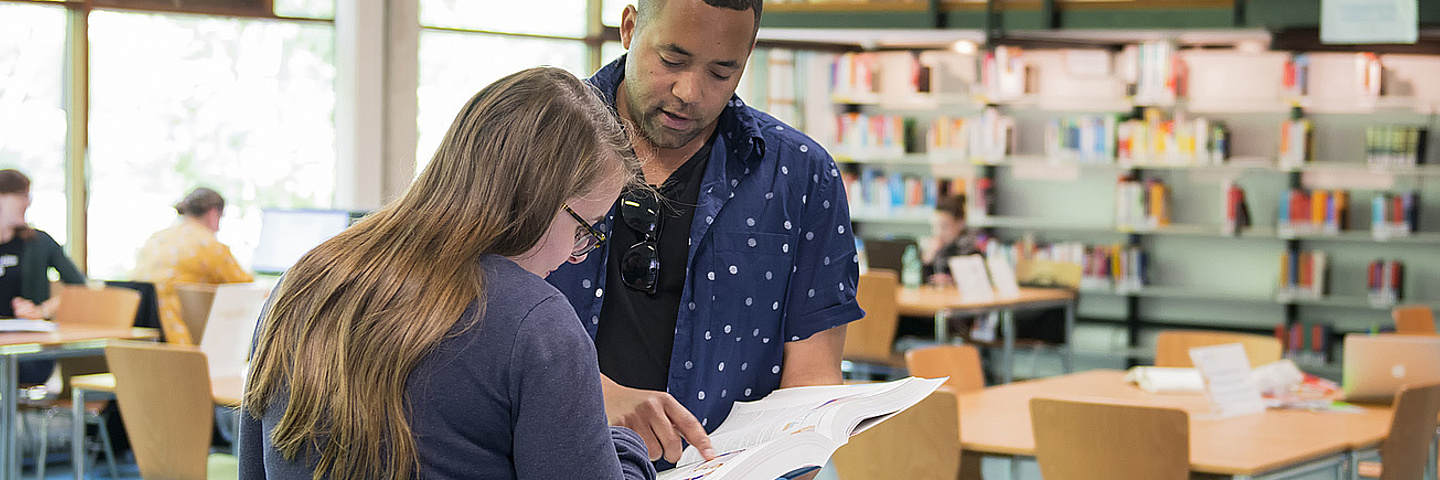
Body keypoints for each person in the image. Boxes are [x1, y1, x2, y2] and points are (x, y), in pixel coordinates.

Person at [239, 67, 655, 479]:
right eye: (585, 228)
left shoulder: (303, 280)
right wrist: (623, 448)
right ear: (538, 200)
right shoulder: (536, 322)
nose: (575, 255)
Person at [546, 0, 863, 466]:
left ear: (749, 52)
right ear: (630, 28)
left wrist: (787, 464)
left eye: (721, 72)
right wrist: (593, 392)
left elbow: (812, 380)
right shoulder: (539, 140)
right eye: (671, 60)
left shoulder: (801, 175)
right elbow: (465, 310)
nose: (689, 91)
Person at [132, 187, 254, 344]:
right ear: (213, 214)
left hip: (141, 341)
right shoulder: (209, 245)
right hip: (181, 341)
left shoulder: (155, 239)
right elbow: (248, 289)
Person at [0, 169, 86, 384]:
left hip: (28, 350)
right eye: (20, 195)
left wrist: (40, 311)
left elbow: (79, 288)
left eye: (28, 195)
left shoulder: (40, 243)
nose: (27, 202)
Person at [922, 194, 981, 286]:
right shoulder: (936, 249)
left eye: (944, 226)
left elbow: (974, 283)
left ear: (960, 223)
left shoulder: (971, 251)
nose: (939, 232)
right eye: (935, 226)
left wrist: (952, 282)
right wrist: (927, 260)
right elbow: (921, 281)